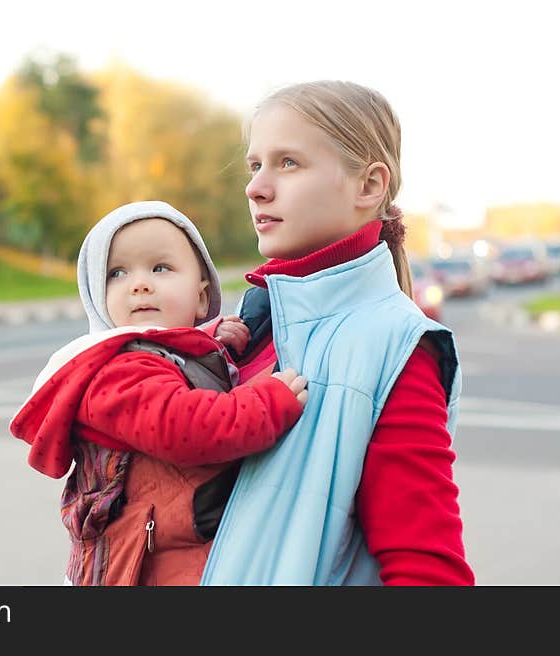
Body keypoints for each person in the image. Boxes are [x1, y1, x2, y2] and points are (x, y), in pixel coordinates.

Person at [200, 81, 475, 585]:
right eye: (254, 164)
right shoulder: (249, 324)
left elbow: (426, 568)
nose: (256, 187)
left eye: (288, 163)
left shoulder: (395, 346)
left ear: (369, 186)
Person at [9, 200, 308, 586]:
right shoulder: (115, 373)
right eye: (116, 272)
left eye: (160, 268)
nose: (140, 283)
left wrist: (213, 347)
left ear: (201, 297)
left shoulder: (160, 358)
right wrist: (267, 404)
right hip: (134, 574)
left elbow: (174, 368)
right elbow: (185, 426)